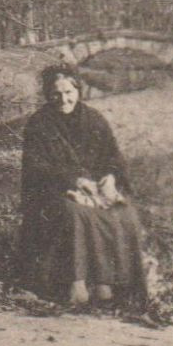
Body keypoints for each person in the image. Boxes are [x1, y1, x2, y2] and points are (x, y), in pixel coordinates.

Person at [17, 63, 145, 307]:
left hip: (95, 188)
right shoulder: (39, 123)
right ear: (48, 94)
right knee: (76, 213)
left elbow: (112, 156)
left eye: (68, 93)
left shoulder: (94, 119)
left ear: (78, 90)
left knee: (123, 213)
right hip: (51, 191)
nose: (63, 100)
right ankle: (77, 283)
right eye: (56, 94)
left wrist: (110, 176)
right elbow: (36, 168)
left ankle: (110, 283)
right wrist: (72, 180)